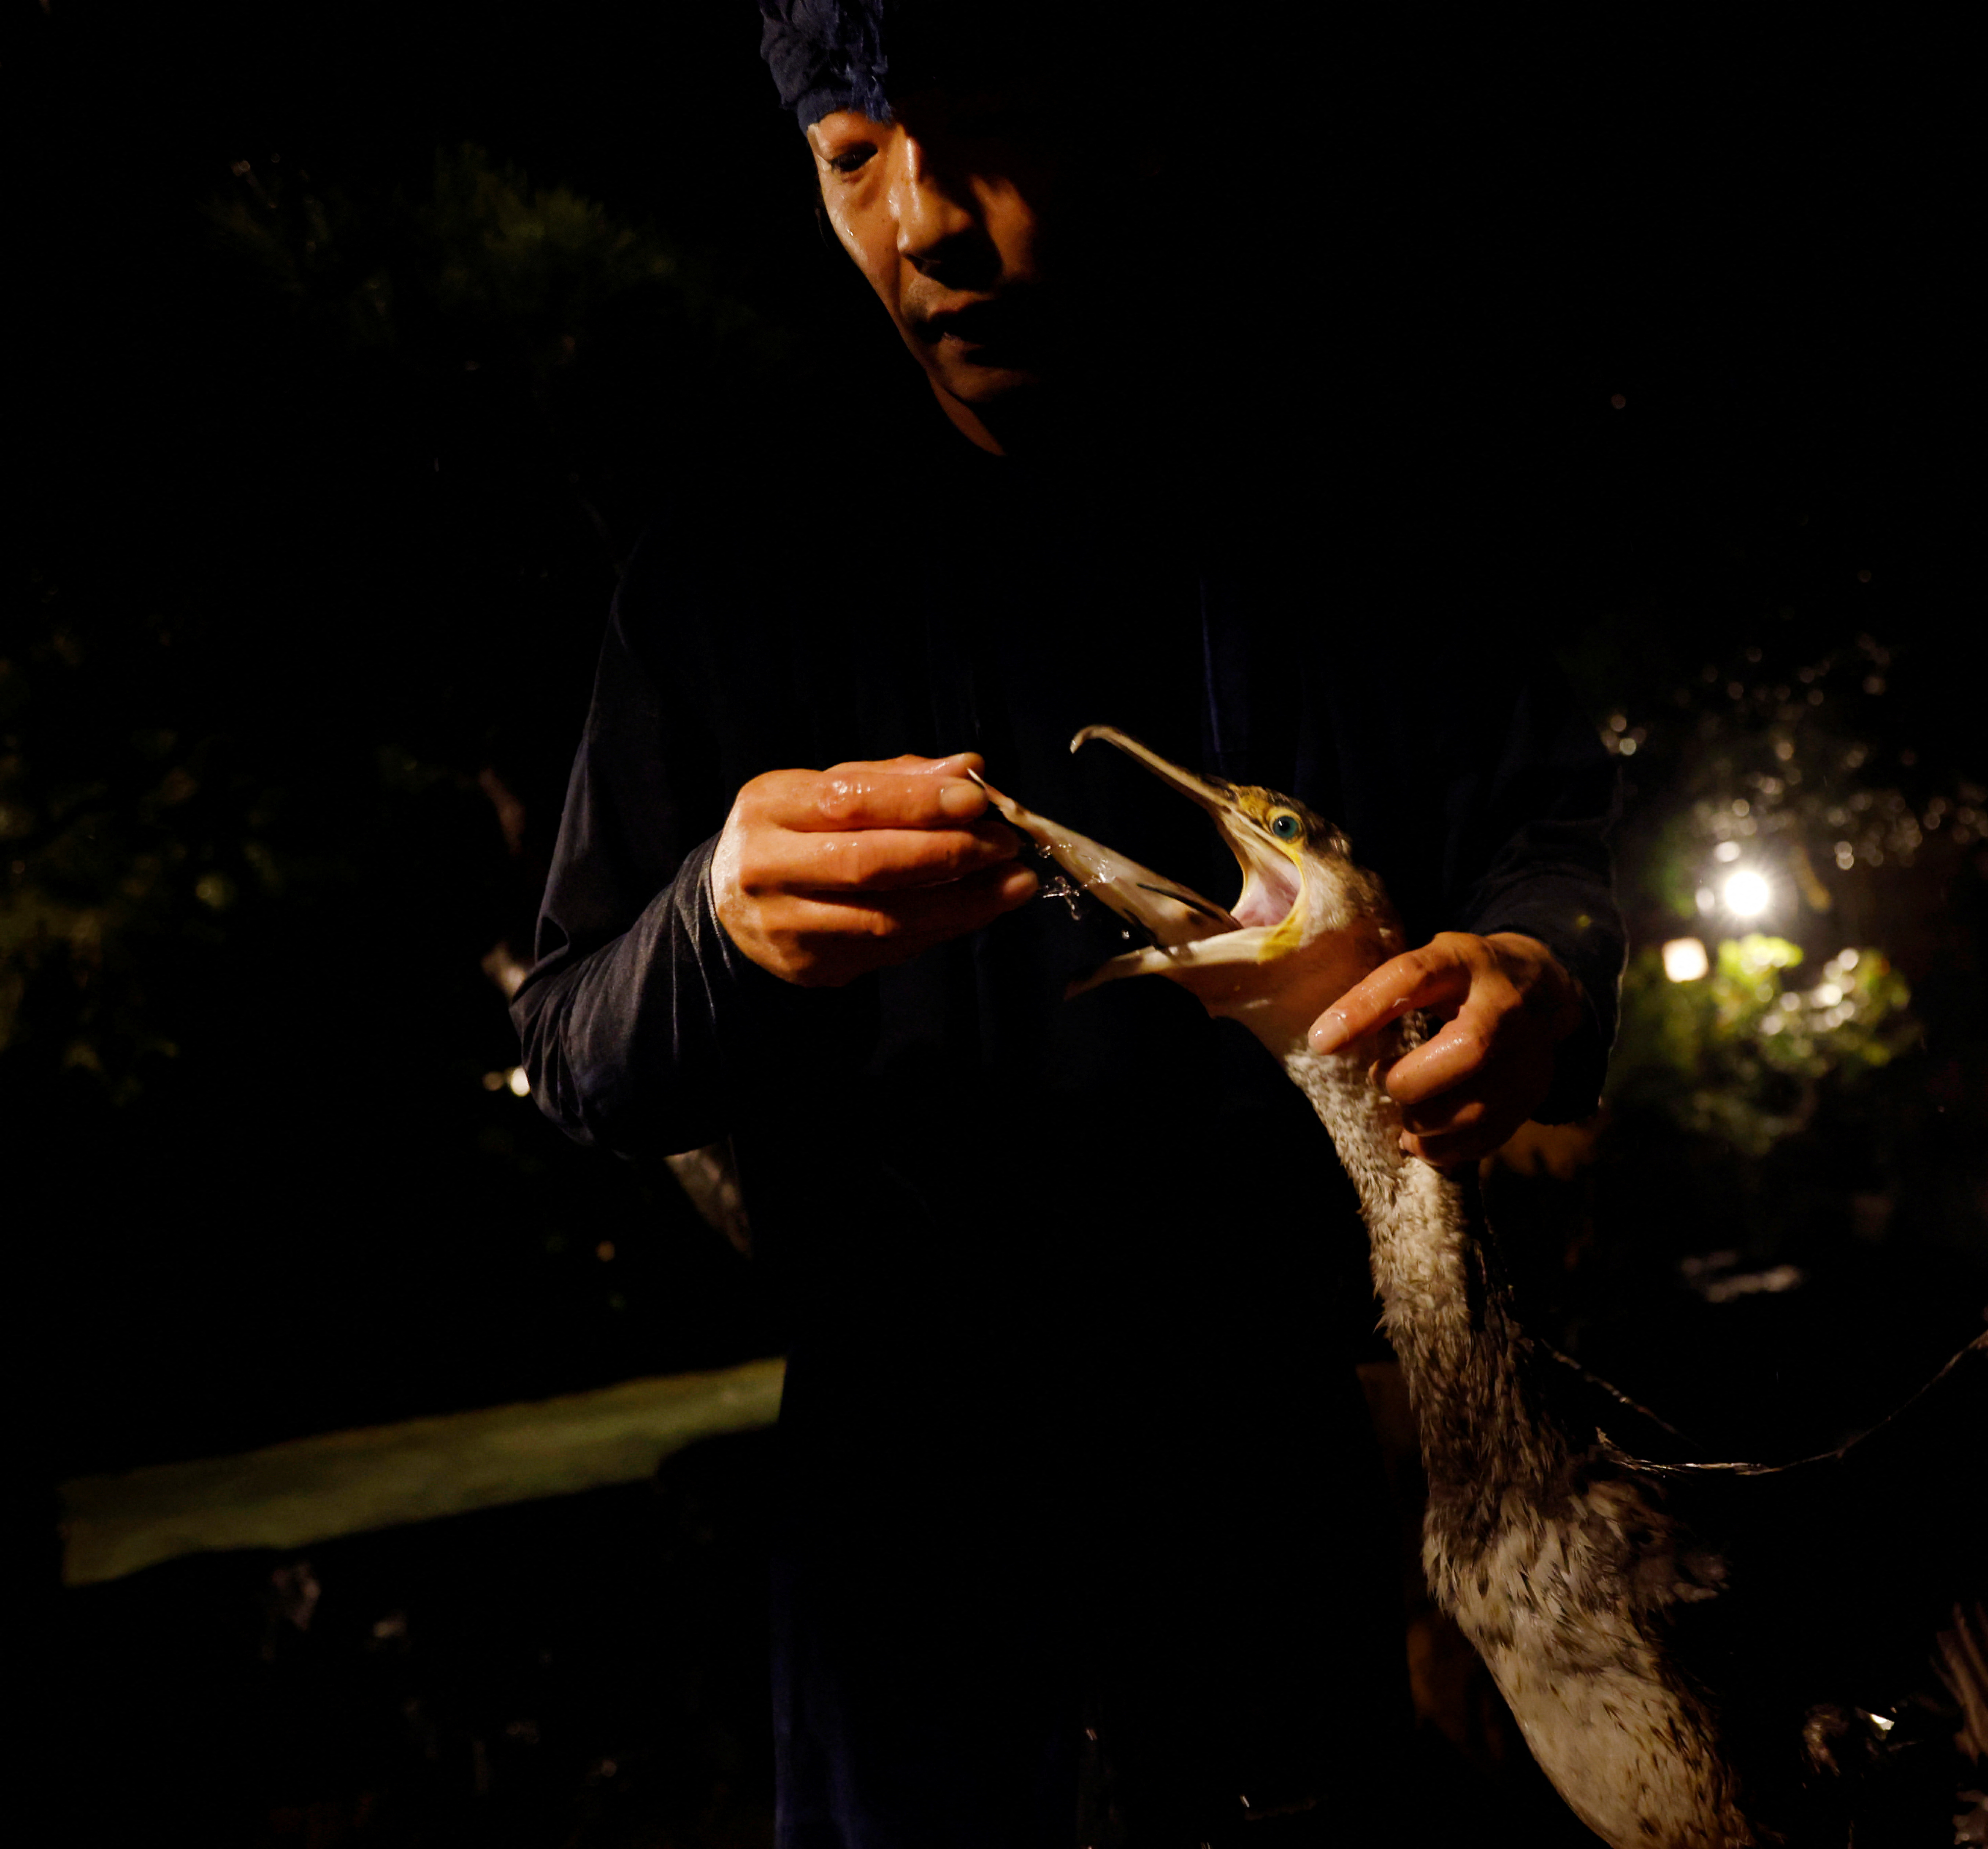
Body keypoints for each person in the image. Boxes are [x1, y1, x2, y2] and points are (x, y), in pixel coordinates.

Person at [512, 5, 1624, 1843]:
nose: (928, 222)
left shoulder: (1343, 502)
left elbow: (1554, 836)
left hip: (1288, 1487)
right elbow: (572, 1050)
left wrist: (1535, 965)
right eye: (856, 158)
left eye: (986, 130)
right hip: (905, 1528)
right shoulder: (732, 563)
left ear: (1125, 124)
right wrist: (711, 921)